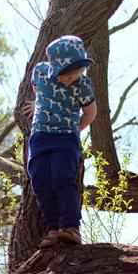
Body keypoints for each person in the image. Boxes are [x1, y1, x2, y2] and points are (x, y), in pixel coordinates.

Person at [23, 35, 97, 248]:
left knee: (62, 177)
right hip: (39, 137)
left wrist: (73, 130)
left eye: (77, 70)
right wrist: (38, 104)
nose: (73, 76)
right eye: (68, 72)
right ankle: (53, 229)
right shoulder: (40, 72)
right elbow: (38, 90)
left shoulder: (82, 84)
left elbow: (90, 113)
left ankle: (72, 228)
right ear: (55, 68)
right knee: (40, 180)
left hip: (65, 138)